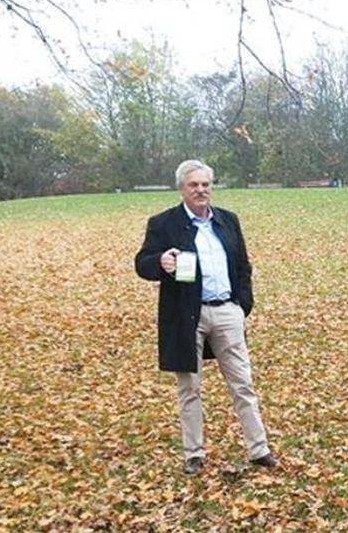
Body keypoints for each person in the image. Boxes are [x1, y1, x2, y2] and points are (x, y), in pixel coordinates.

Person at [135, 159, 277, 474]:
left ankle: (259, 449)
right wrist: (160, 261)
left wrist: (241, 307)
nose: (200, 190)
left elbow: (243, 267)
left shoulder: (228, 220)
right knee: (190, 388)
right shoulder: (163, 224)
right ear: (181, 189)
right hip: (186, 316)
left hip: (227, 311)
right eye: (193, 185)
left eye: (205, 184)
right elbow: (141, 263)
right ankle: (193, 454)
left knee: (243, 384)